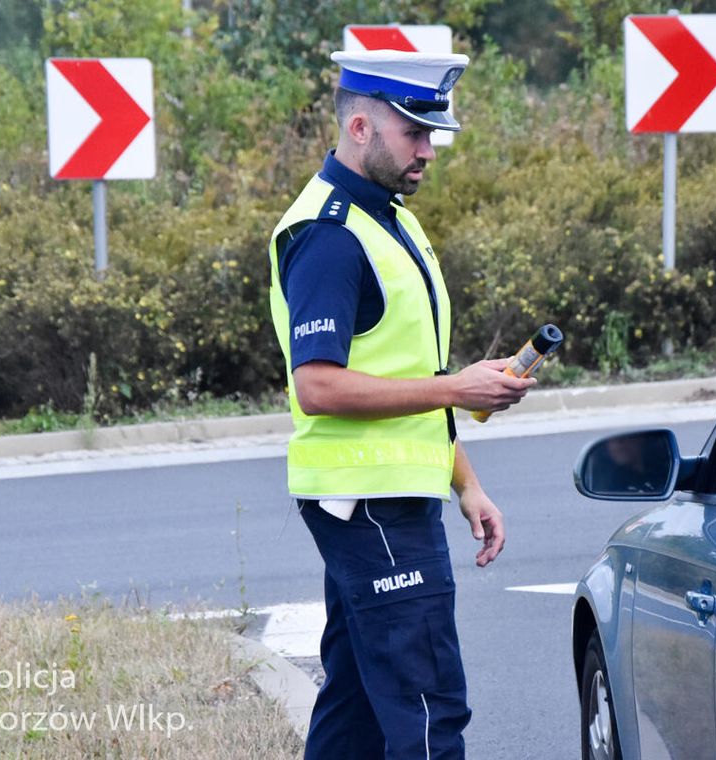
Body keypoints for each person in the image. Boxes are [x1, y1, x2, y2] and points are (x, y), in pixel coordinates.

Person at [266, 50, 536, 759]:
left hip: (385, 499)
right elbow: (317, 386)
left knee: (354, 713)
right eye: (415, 132)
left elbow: (403, 375)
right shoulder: (328, 235)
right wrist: (460, 387)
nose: (429, 150)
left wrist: (465, 481)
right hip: (370, 505)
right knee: (428, 714)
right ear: (360, 126)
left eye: (433, 133)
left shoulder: (388, 219)